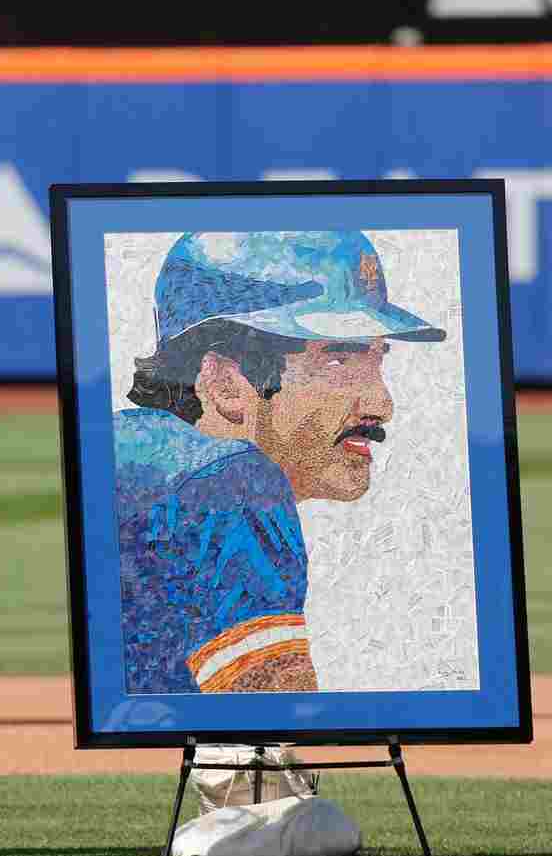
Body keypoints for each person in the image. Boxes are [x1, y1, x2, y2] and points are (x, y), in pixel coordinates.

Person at [115, 231, 445, 695]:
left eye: (377, 360)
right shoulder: (229, 483)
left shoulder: (125, 447)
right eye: (338, 361)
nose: (381, 403)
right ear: (227, 382)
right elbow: (268, 734)